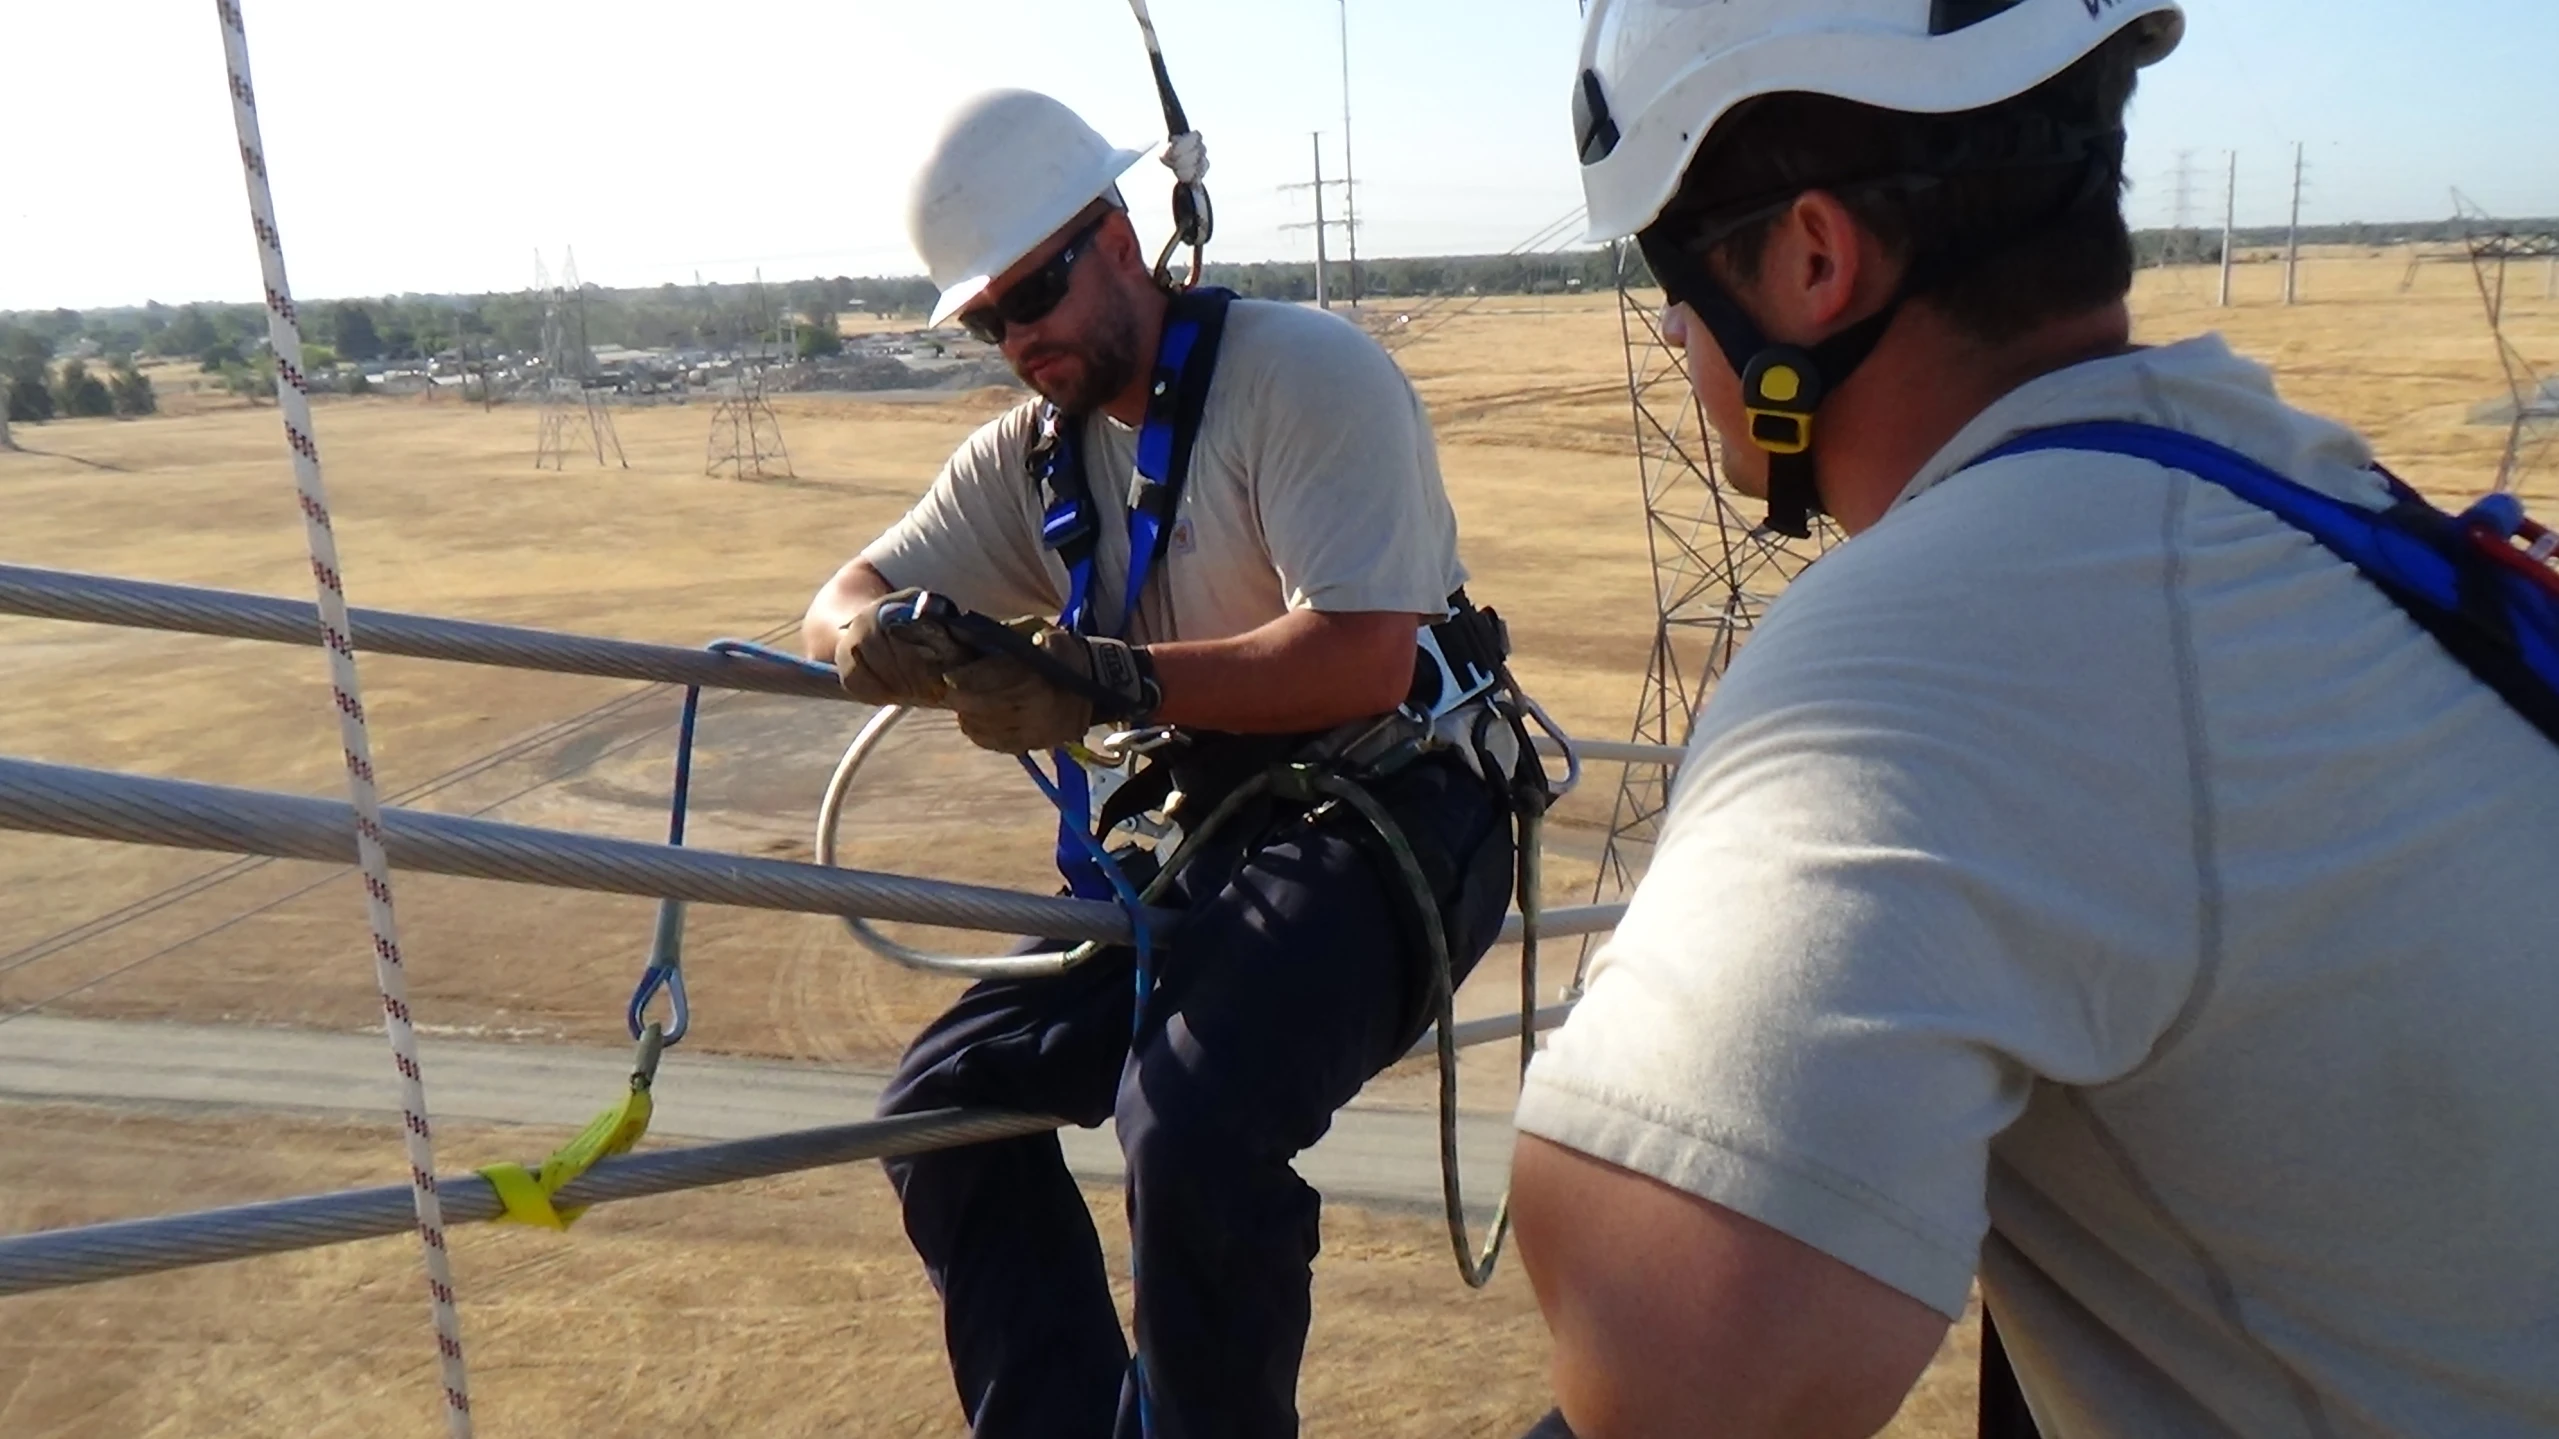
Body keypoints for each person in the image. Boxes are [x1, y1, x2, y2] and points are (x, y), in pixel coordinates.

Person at [1509, 2, 2559, 1436]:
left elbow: (1671, 1363)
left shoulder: (1945, 625)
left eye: (1673, 286)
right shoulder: (2290, 483)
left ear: (1812, 259)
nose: (1680, 341)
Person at [798, 89, 1527, 1439]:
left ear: (1118, 238)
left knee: (1187, 1119)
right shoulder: (1030, 460)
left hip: (1402, 802)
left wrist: (1105, 680)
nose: (1022, 337)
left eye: (1038, 290)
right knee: (940, 1104)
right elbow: (840, 592)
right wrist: (874, 636)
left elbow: (1363, 654)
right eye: (989, 318)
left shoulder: (1301, 376)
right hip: (1217, 833)